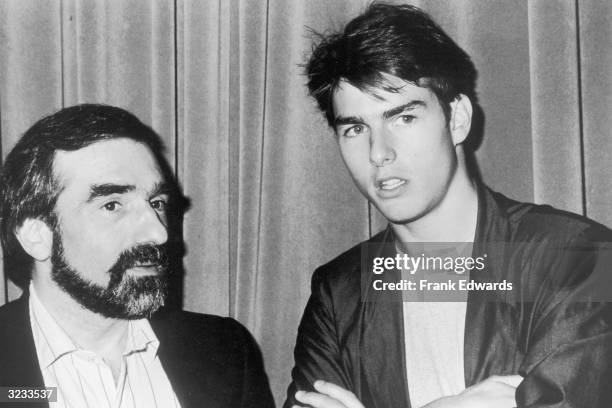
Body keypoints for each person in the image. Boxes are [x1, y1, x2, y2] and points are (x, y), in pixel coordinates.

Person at [285, 3, 612, 408]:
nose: (379, 152)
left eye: (403, 118)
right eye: (355, 128)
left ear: (457, 119)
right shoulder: (339, 293)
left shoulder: (575, 258)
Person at [0, 104, 275, 408]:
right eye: (112, 205)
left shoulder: (226, 350)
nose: (158, 234)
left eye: (156, 203)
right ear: (36, 235)